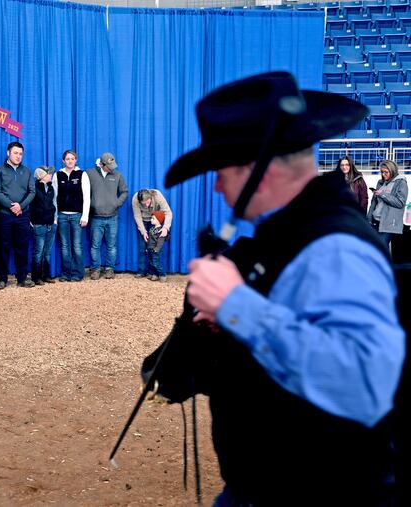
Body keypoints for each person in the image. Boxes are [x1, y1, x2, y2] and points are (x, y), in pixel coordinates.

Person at [162, 71, 404, 505]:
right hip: (268, 482)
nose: (216, 185)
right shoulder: (289, 236)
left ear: (256, 171)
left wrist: (237, 306)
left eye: (221, 171)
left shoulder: (334, 247)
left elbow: (365, 384)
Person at [0, 141, 36, 289]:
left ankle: (22, 277)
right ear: (8, 153)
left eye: (21, 154)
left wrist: (20, 206)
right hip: (5, 215)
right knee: (3, 247)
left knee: (22, 246)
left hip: (23, 215)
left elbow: (32, 191)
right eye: (15, 153)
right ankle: (2, 278)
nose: (18, 156)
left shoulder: (27, 171)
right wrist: (11, 206)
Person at [86, 152, 128, 280]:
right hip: (96, 217)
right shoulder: (89, 174)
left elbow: (124, 192)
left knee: (111, 245)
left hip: (112, 217)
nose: (112, 168)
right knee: (95, 245)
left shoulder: (117, 175)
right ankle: (95, 269)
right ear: (101, 164)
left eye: (113, 165)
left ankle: (110, 269)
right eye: (109, 165)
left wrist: (117, 203)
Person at [52, 150, 90, 282]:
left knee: (77, 246)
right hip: (62, 216)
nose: (70, 161)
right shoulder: (57, 175)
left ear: (76, 160)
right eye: (67, 159)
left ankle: (77, 274)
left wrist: (85, 216)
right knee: (64, 246)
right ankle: (65, 273)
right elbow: (54, 197)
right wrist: (55, 216)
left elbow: (87, 197)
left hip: (77, 216)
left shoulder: (82, 174)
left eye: (72, 159)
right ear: (63, 161)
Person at [131, 188, 172, 280]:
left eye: (147, 201)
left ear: (151, 197)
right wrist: (143, 231)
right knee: (142, 248)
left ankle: (153, 272)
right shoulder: (135, 199)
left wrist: (165, 228)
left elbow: (168, 212)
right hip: (143, 221)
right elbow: (137, 216)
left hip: (155, 221)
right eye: (143, 203)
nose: (146, 204)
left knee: (154, 248)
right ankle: (141, 271)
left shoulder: (157, 196)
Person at [368, 159, 408, 247]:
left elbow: (400, 203)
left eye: (386, 172)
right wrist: (369, 218)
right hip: (375, 221)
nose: (383, 174)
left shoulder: (401, 182)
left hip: (388, 224)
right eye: (382, 172)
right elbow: (373, 203)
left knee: (381, 248)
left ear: (392, 171)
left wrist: (382, 194)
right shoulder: (380, 182)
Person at [30, 166, 57, 285]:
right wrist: (31, 220)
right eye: (48, 174)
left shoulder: (51, 188)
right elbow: (30, 205)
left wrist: (55, 219)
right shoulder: (34, 188)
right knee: (38, 252)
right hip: (39, 223)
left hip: (51, 223)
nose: (50, 175)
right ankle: (36, 277)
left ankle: (46, 275)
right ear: (41, 176)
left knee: (47, 252)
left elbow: (54, 203)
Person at [145, 211, 168, 282]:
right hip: (150, 249)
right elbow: (149, 240)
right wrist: (147, 248)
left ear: (158, 220)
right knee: (152, 263)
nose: (151, 219)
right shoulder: (152, 229)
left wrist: (157, 249)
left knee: (156, 263)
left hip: (156, 250)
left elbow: (160, 242)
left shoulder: (161, 230)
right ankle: (155, 275)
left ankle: (163, 274)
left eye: (153, 218)